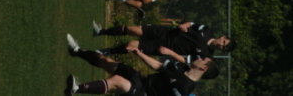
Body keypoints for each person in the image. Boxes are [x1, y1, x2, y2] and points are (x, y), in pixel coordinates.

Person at [64, 33, 217, 95]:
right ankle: (77, 51)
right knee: (108, 63)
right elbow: (158, 66)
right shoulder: (182, 67)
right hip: (142, 80)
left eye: (203, 60)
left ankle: (76, 88)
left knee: (117, 81)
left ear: (203, 68)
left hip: (144, 93)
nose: (200, 58)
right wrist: (139, 53)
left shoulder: (185, 88)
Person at [92, 21, 235, 61]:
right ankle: (101, 31)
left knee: (131, 45)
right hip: (166, 32)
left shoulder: (206, 55)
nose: (221, 46)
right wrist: (184, 25)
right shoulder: (206, 30)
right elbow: (192, 23)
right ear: (223, 37)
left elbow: (185, 61)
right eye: (224, 43)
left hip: (164, 46)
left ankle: (106, 52)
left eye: (224, 48)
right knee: (132, 29)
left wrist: (170, 53)